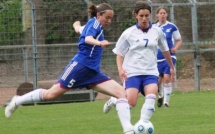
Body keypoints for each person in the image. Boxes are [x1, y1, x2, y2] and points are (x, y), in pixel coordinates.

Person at [5, 3, 134, 134]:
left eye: (111, 18)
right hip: (79, 67)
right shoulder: (94, 24)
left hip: (93, 73)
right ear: (99, 15)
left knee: (122, 94)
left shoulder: (93, 25)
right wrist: (100, 43)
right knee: (51, 94)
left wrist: (76, 26)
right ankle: (17, 101)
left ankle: (128, 129)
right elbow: (88, 38)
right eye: (107, 17)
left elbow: (80, 30)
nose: (109, 21)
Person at [102, 1, 175, 123]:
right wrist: (120, 69)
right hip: (132, 71)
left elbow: (165, 50)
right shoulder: (128, 33)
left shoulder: (157, 31)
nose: (144, 18)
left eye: (147, 15)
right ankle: (114, 100)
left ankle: (142, 124)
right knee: (131, 103)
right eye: (141, 16)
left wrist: (171, 67)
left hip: (151, 71)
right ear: (136, 15)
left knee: (151, 95)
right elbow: (119, 54)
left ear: (150, 15)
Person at [154, 7, 182, 108]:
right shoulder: (153, 27)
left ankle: (166, 102)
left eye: (164, 13)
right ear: (157, 15)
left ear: (166, 15)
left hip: (169, 57)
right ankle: (160, 96)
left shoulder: (172, 27)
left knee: (166, 78)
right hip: (157, 58)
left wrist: (175, 48)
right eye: (160, 13)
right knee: (156, 82)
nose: (162, 15)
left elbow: (179, 40)